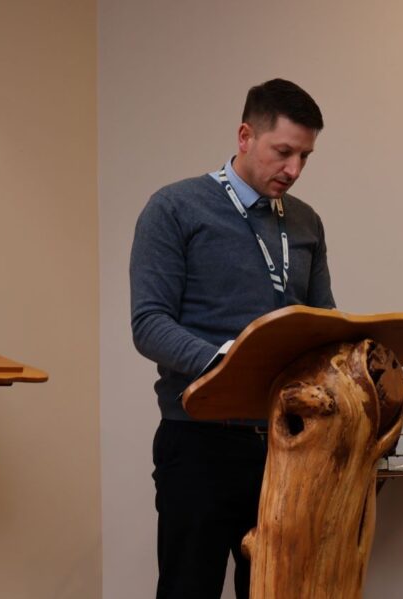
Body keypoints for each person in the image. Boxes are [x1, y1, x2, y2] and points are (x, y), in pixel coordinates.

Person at [129, 78, 335, 599]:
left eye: (305, 157)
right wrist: (233, 363)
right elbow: (149, 323)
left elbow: (323, 322)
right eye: (283, 152)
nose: (293, 169)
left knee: (275, 590)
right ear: (245, 136)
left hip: (286, 445)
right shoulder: (174, 208)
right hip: (197, 439)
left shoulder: (306, 222)